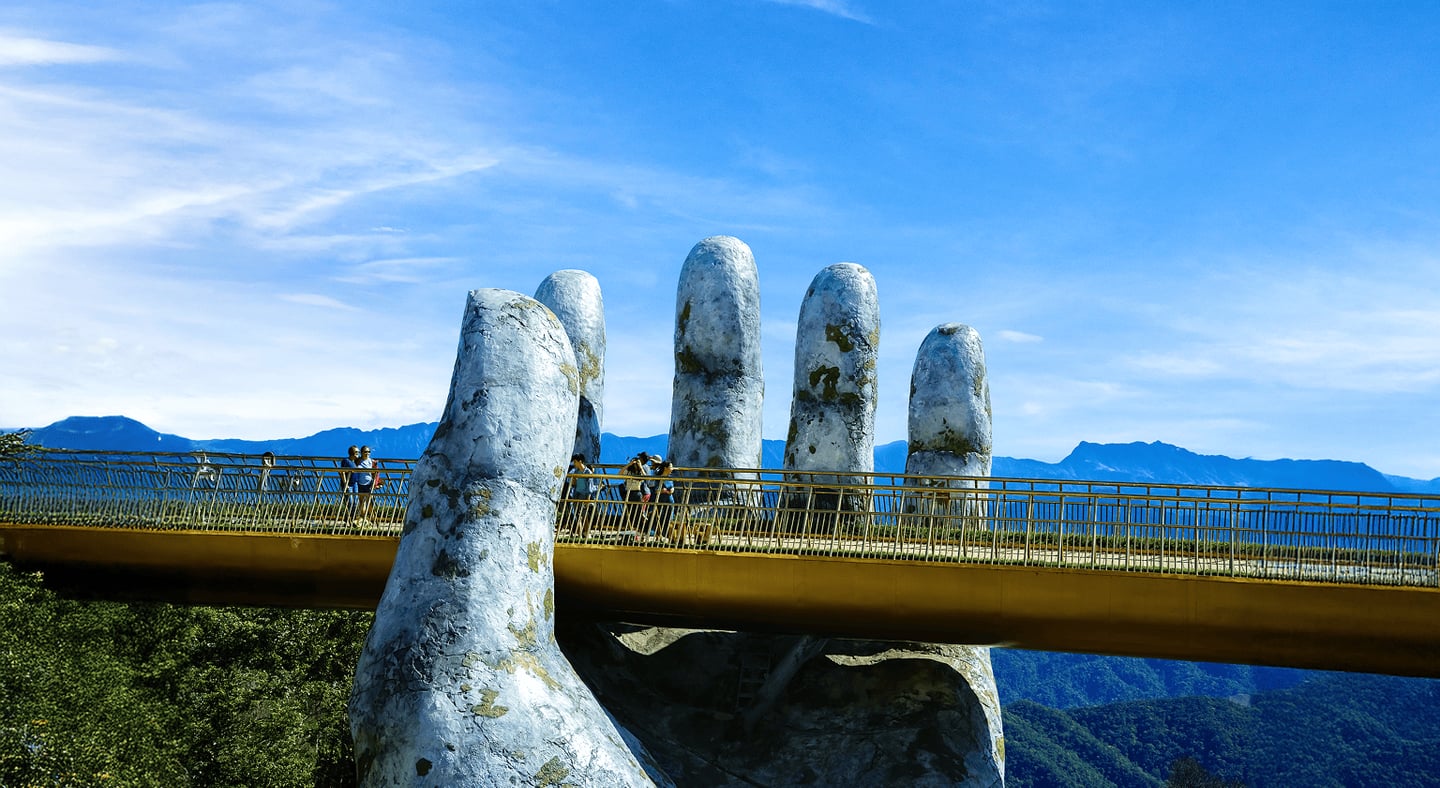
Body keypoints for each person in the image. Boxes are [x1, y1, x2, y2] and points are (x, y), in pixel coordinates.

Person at [563, 453, 595, 537]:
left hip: (584, 494)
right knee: (578, 515)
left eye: (575, 461)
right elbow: (574, 484)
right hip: (577, 494)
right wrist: (573, 478)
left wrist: (588, 499)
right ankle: (580, 533)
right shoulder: (576, 471)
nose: (574, 463)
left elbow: (589, 487)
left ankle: (587, 533)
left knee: (584, 515)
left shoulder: (588, 472)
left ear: (580, 461)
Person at [620, 456, 648, 536]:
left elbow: (646, 477)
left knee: (638, 513)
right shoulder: (628, 472)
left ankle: (642, 530)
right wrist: (629, 464)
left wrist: (640, 466)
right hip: (629, 493)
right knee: (631, 513)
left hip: (637, 493)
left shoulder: (640, 472)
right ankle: (634, 530)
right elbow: (620, 473)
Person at [355, 446, 379, 523]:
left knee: (370, 501)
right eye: (365, 452)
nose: (367, 453)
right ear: (361, 453)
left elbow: (376, 473)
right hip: (360, 483)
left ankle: (373, 517)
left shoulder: (372, 462)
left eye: (368, 452)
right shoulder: (358, 461)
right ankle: (364, 518)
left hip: (369, 483)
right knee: (361, 501)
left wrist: (375, 483)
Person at [339, 445, 359, 522]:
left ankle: (352, 518)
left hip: (355, 484)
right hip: (348, 484)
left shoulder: (355, 462)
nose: (358, 453)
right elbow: (342, 472)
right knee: (350, 502)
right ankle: (348, 518)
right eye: (356, 452)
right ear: (352, 452)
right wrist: (345, 483)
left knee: (355, 502)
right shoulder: (346, 461)